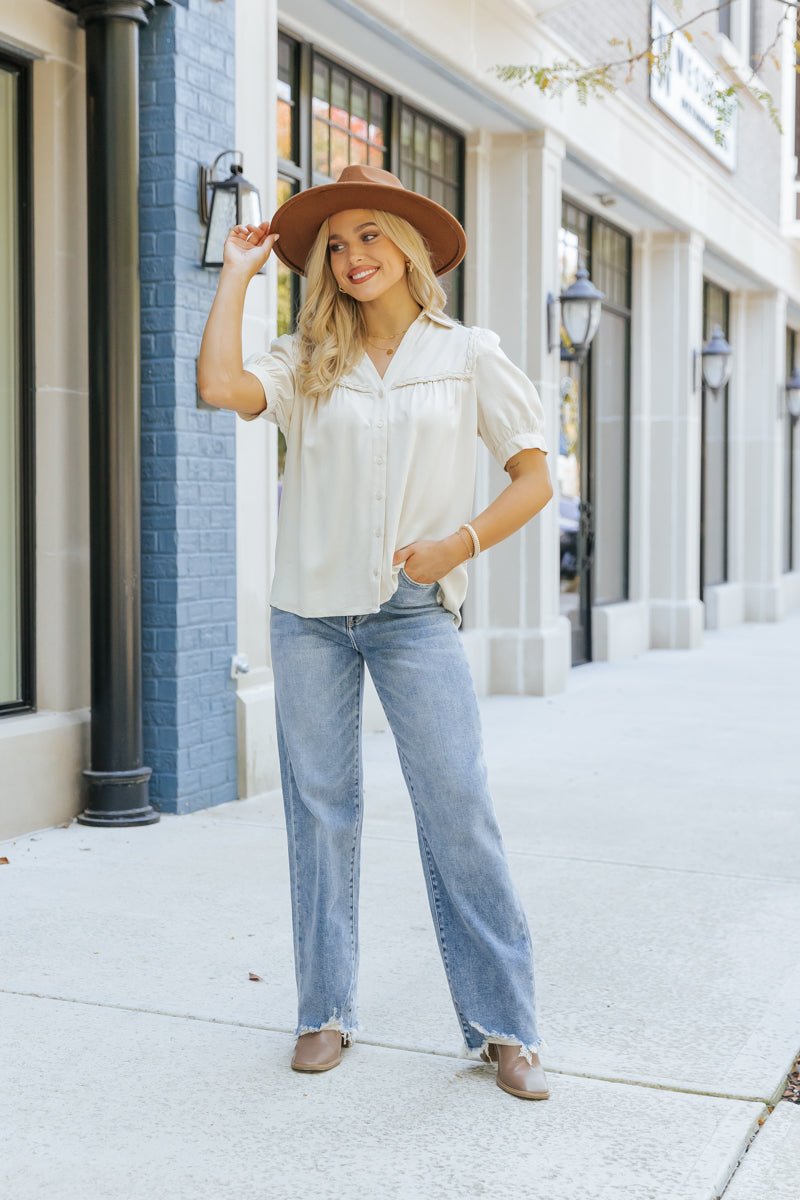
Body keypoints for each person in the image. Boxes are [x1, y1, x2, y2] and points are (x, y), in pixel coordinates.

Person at [197, 164, 554, 1101]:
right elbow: (218, 386)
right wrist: (236, 273)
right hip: (310, 616)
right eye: (337, 244)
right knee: (319, 816)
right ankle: (324, 1011)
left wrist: (457, 544)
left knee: (458, 812)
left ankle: (507, 1027)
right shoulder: (304, 357)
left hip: (413, 615)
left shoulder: (469, 352)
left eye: (370, 236)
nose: (354, 256)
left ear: (407, 249)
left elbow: (533, 478)